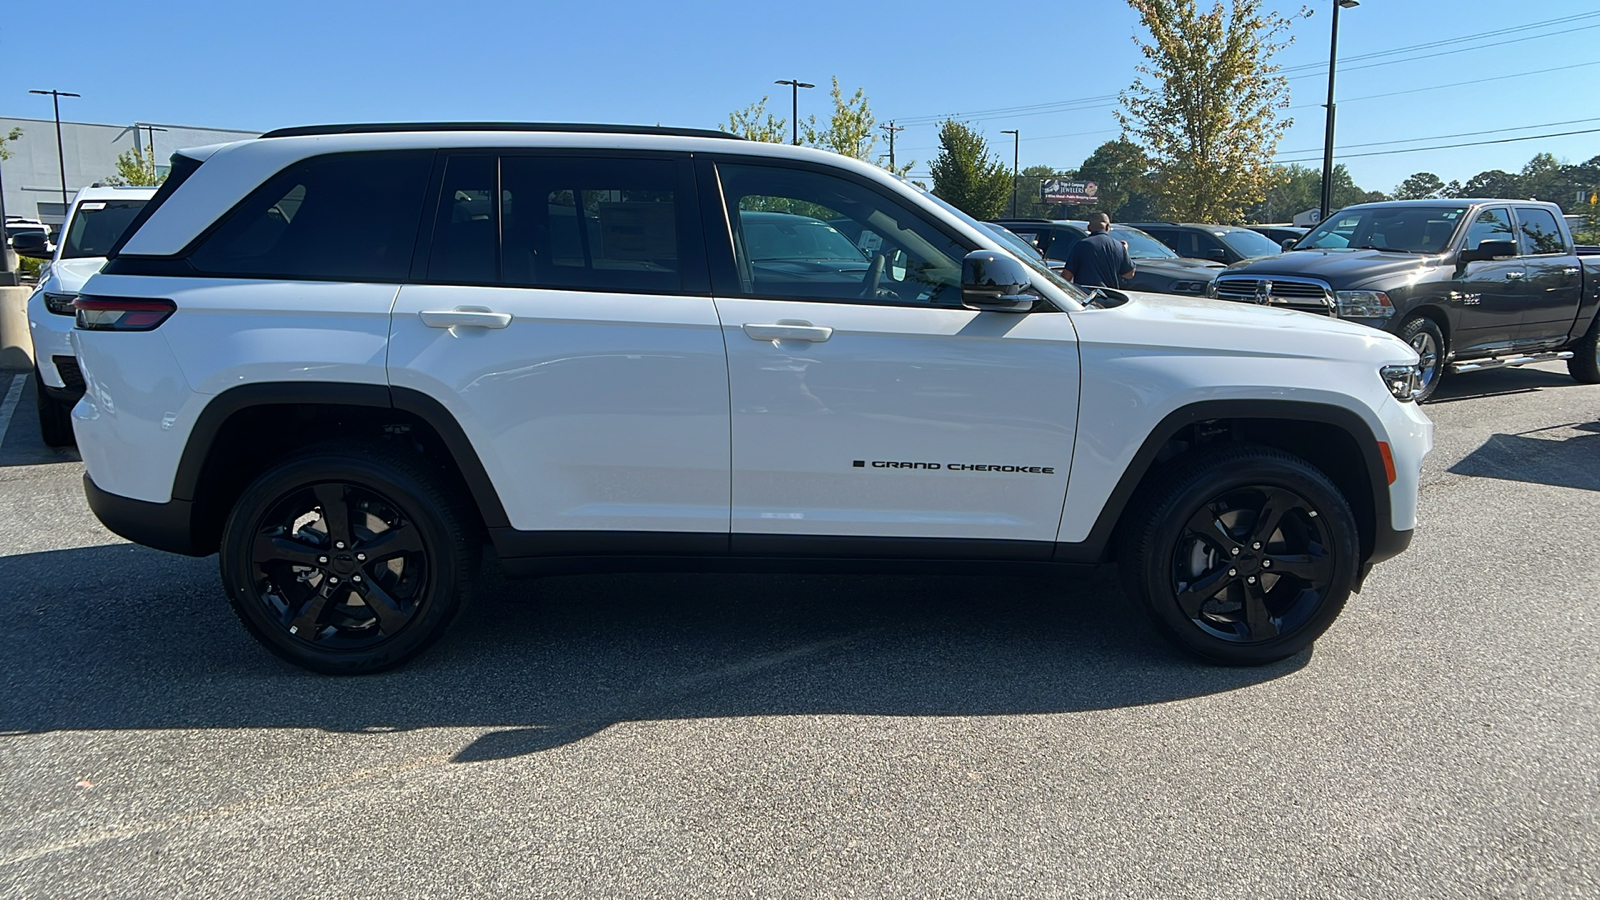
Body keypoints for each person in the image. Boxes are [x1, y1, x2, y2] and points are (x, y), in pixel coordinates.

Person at [1061, 212, 1134, 289]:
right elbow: (1129, 274)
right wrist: (1124, 251)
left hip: (1086, 296)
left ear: (1089, 228)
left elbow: (1067, 276)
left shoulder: (1082, 245)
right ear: (1107, 227)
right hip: (1111, 296)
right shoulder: (1118, 246)